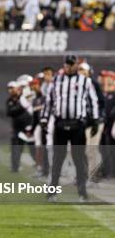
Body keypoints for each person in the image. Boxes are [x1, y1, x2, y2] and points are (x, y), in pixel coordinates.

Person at [40, 55, 100, 202]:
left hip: (77, 125)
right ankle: (52, 192)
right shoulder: (56, 80)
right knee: (57, 159)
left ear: (75, 65)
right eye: (66, 64)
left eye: (71, 64)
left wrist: (95, 120)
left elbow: (93, 100)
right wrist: (44, 118)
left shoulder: (85, 81)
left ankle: (82, 192)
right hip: (60, 124)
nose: (68, 67)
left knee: (79, 159)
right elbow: (49, 101)